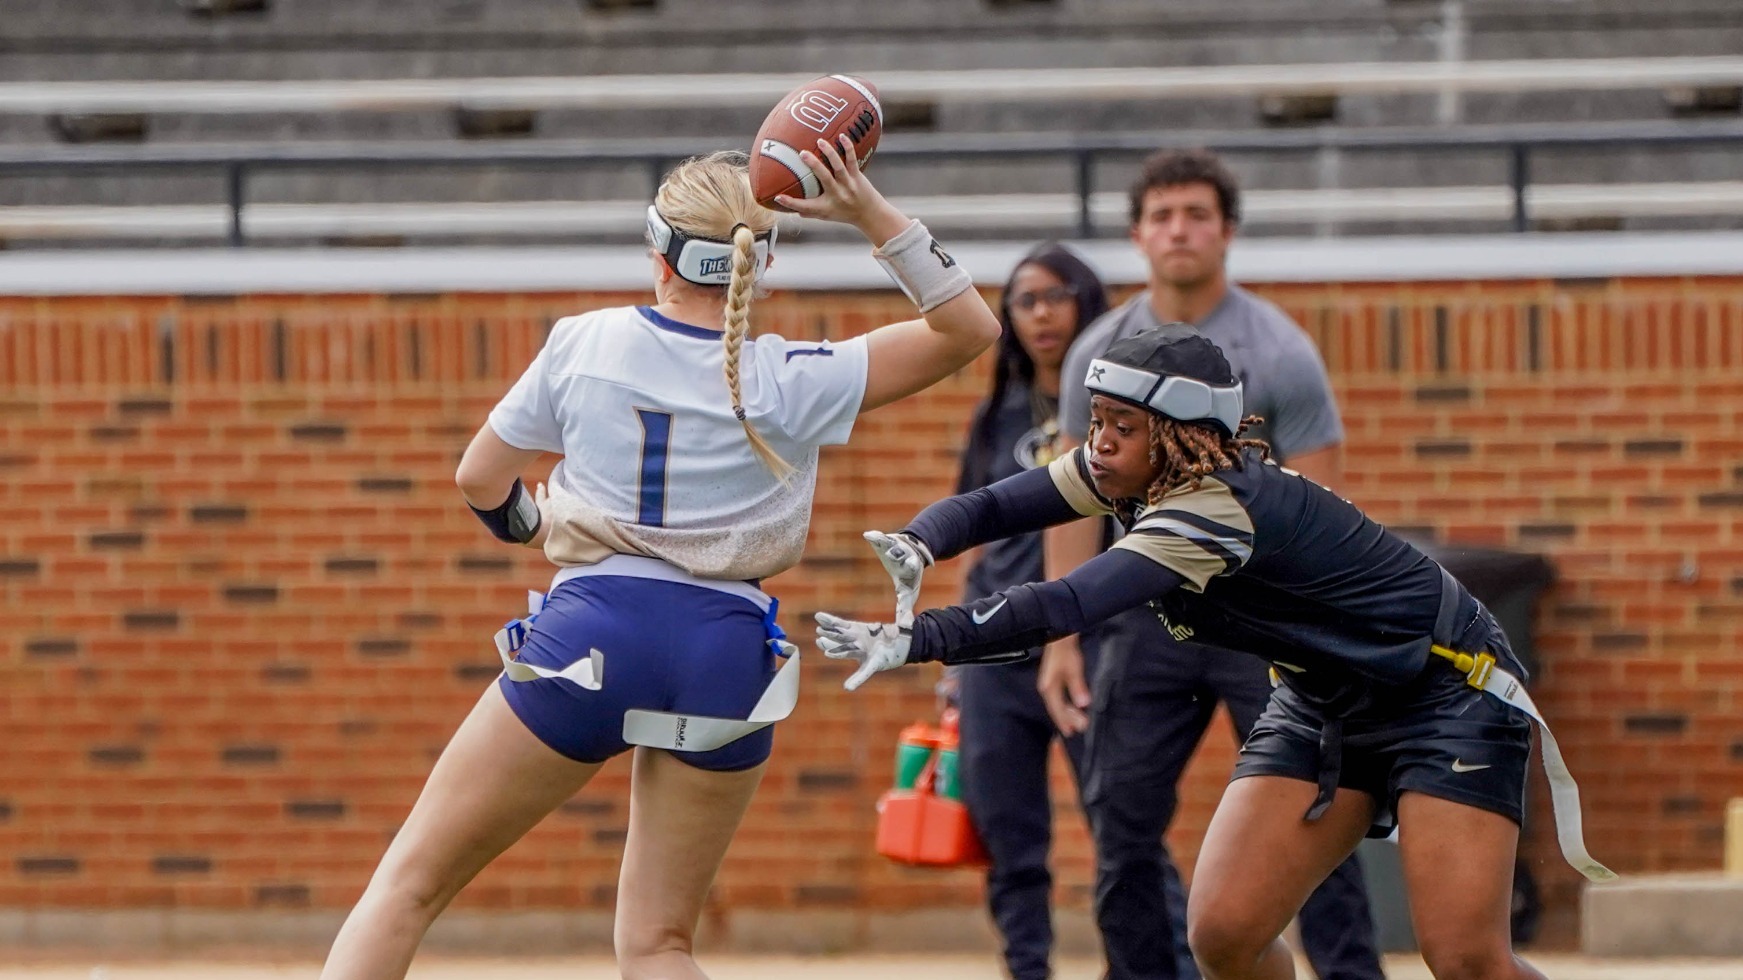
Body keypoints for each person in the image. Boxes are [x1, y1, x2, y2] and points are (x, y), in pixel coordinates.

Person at [316, 138, 1001, 980]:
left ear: (658, 249)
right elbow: (969, 328)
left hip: (593, 632)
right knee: (657, 945)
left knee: (407, 888)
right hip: (730, 651)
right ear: (761, 263)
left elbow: (479, 479)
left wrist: (534, 530)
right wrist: (865, 209)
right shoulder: (790, 375)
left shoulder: (585, 342)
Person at [816, 323, 1614, 980]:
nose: (1098, 444)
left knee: (1465, 960)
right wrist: (920, 539)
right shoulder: (1137, 470)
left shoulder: (1211, 510)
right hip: (1323, 699)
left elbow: (1064, 605)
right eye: (1096, 420)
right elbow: (1000, 504)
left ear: (1180, 436)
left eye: (1121, 426)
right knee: (1226, 934)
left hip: (1442, 694)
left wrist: (921, 638)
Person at [1039, 149, 1381, 980]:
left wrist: (1325, 636)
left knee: (1314, 816)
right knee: (1119, 823)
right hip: (1143, 619)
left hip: (1261, 624)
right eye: (1161, 215)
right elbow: (1074, 493)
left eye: (1196, 213)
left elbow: (1323, 510)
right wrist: (1060, 637)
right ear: (1136, 235)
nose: (1178, 230)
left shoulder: (1280, 349)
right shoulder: (1098, 350)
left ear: (1226, 231)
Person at [945, 242, 1107, 980]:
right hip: (995, 645)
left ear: (1086, 302)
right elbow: (974, 539)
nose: (1041, 314)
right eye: (1024, 301)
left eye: (1055, 295)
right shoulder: (996, 414)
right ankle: (1027, 968)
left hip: (1091, 641)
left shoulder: (1120, 412)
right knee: (1008, 832)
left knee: (1120, 823)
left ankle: (1147, 962)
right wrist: (953, 665)